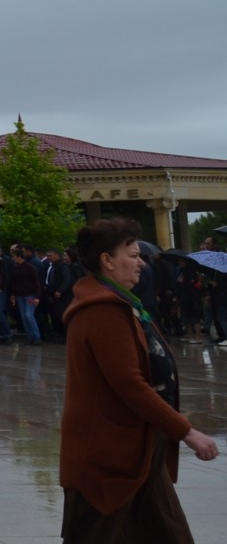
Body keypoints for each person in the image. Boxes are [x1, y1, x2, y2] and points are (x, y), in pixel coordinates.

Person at [60, 217, 217, 543]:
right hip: (110, 459)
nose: (140, 262)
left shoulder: (121, 303)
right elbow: (129, 384)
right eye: (132, 255)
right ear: (107, 260)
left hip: (139, 449)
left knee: (169, 534)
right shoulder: (101, 310)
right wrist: (187, 432)